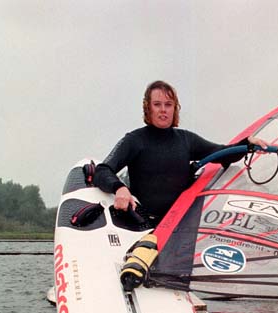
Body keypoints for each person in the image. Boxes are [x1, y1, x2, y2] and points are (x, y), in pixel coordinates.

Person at [93, 80, 269, 225]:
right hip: (143, 225)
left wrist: (247, 143)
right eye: (157, 104)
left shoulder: (186, 140)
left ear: (174, 108)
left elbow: (222, 154)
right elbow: (102, 170)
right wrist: (120, 189)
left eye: (168, 105)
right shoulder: (134, 140)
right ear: (148, 108)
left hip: (179, 228)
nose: (163, 109)